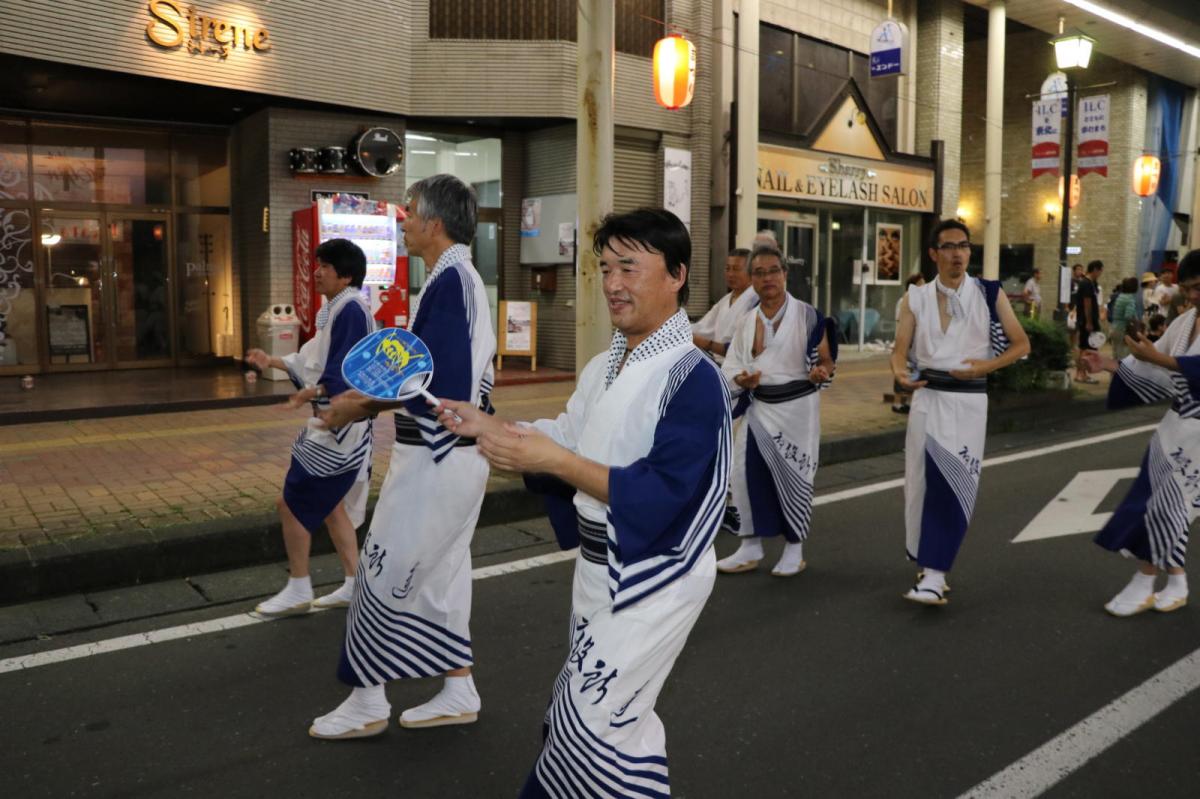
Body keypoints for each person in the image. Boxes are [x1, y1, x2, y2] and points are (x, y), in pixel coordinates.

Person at [440, 208, 730, 798]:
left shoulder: (696, 376)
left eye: (630, 266)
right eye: (604, 267)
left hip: (656, 574)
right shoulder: (605, 364)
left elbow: (665, 492)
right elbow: (568, 435)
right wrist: (488, 425)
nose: (613, 283)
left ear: (676, 274)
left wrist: (554, 462)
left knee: (586, 719)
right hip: (598, 568)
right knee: (618, 726)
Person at [306, 174, 496, 739]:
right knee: (441, 579)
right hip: (454, 458)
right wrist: (362, 398)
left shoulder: (452, 281)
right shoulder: (454, 277)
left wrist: (357, 407)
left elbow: (434, 385)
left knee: (380, 573)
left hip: (438, 459)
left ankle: (366, 701)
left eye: (409, 212)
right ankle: (458, 687)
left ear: (434, 223)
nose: (402, 221)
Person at [891, 219, 1030, 605]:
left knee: (953, 484)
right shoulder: (914, 297)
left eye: (964, 246)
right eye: (949, 246)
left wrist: (983, 367)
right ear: (934, 254)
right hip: (927, 398)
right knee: (919, 482)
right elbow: (900, 348)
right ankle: (927, 565)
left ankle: (935, 575)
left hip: (968, 400)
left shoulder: (988, 292)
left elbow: (1020, 345)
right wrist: (899, 371)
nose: (958, 254)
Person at [245, 239, 374, 616]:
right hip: (338, 424)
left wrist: (314, 392)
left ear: (345, 274)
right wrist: (270, 360)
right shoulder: (339, 308)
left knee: (291, 503)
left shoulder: (350, 309)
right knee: (333, 507)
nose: (316, 272)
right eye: (317, 265)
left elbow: (346, 371)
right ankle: (354, 584)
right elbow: (312, 358)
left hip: (337, 426)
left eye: (325, 267)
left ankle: (299, 586)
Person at [1079, 250, 1200, 616]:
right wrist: (1108, 364)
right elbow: (1155, 366)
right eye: (1187, 289)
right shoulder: (1185, 322)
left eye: (1198, 288)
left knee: (1163, 506)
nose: (1192, 296)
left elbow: (1163, 362)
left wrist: (1156, 358)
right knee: (1153, 497)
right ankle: (1176, 582)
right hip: (1176, 425)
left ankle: (1143, 581)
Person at [715, 243, 836, 577]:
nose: (767, 278)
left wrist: (820, 371)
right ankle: (749, 547)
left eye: (773, 271)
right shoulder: (746, 320)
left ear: (785, 274)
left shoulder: (808, 315)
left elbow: (825, 359)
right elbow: (733, 365)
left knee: (793, 477)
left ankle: (794, 550)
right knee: (746, 476)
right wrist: (742, 378)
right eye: (759, 272)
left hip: (797, 410)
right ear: (751, 278)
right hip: (759, 409)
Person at [691, 247, 759, 363]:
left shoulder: (756, 301)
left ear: (752, 273)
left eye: (736, 269)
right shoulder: (725, 300)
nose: (731, 274)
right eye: (727, 269)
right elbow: (702, 327)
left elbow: (747, 347)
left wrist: (708, 344)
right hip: (718, 361)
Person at [893, 272, 927, 413]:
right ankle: (897, 404)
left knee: (912, 374)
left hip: (913, 343)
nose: (923, 287)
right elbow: (901, 322)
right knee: (902, 373)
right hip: (905, 343)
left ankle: (905, 402)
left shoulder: (918, 300)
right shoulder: (905, 300)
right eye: (920, 284)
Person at [1074, 260, 1104, 383]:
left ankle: (1082, 373)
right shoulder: (1086, 283)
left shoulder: (1091, 283)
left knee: (1086, 348)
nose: (1101, 273)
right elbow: (1087, 304)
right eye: (1101, 270)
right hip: (1086, 321)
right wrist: (1089, 322)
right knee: (1085, 348)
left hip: (1088, 320)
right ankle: (1081, 374)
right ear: (1096, 269)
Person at [1110, 277, 1139, 362]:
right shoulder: (1129, 299)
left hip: (1115, 327)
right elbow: (1128, 316)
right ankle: (1122, 374)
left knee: (1116, 354)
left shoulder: (1121, 296)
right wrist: (1135, 323)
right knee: (1124, 356)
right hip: (1123, 330)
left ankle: (1114, 374)